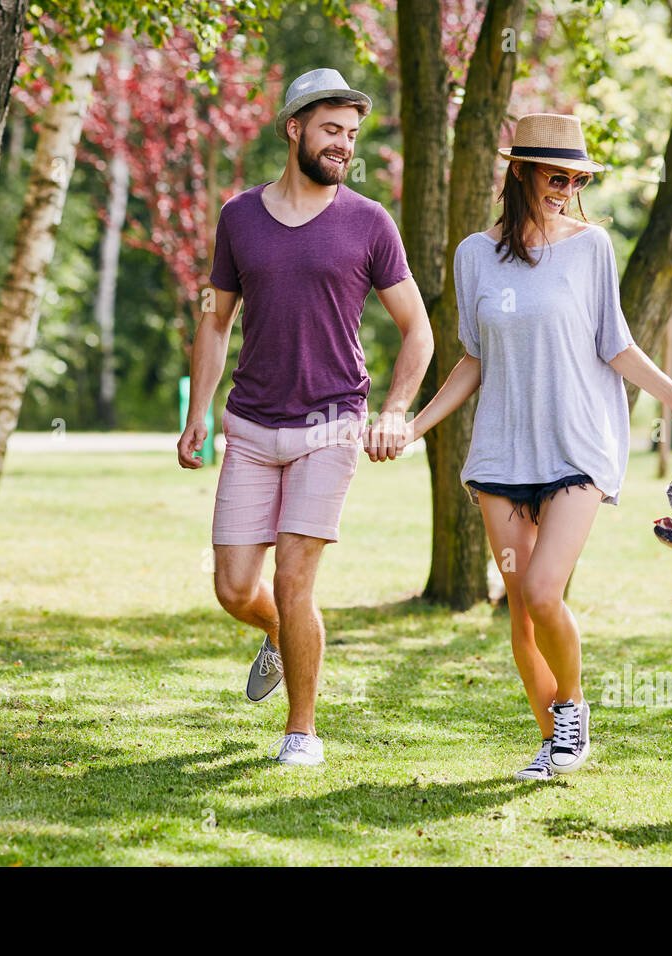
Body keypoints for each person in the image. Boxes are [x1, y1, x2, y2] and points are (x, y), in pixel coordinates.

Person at [404, 113, 672, 781]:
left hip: (576, 449)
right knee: (521, 610)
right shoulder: (472, 256)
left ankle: (571, 712)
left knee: (545, 590)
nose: (566, 188)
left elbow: (617, 345)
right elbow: (471, 360)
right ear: (519, 171)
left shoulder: (590, 247)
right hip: (499, 458)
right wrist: (414, 425)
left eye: (576, 178)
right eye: (555, 175)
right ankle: (555, 741)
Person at [178, 68, 434, 766]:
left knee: (295, 580)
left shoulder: (368, 222)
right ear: (293, 128)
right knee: (235, 588)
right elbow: (215, 318)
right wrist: (198, 411)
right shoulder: (239, 219)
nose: (342, 146)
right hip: (251, 426)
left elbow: (420, 330)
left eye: (350, 135)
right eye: (330, 131)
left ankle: (302, 732)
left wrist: (395, 410)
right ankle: (276, 635)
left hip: (332, 422)